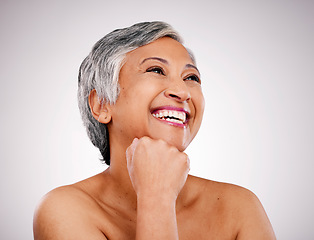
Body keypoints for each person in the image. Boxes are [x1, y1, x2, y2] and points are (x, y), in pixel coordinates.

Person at [33, 21, 276, 239]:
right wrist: (156, 197)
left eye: (191, 77)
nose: (182, 92)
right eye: (156, 70)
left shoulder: (240, 207)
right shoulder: (64, 209)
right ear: (102, 104)